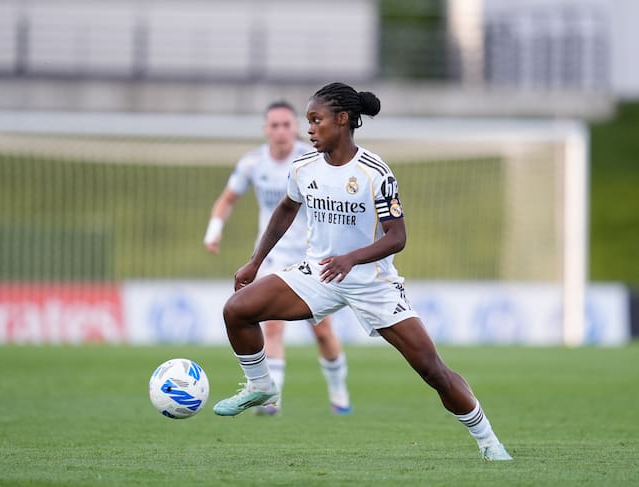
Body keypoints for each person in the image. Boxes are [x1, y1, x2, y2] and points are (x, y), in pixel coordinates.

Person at [211, 82, 513, 462]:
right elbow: (287, 209)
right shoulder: (303, 166)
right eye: (307, 121)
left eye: (315, 120)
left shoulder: (375, 172)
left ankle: (488, 441)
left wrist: (352, 259)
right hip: (318, 274)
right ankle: (262, 386)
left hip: (373, 283)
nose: (309, 130)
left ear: (341, 120)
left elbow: (398, 237)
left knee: (432, 369)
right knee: (236, 309)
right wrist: (255, 261)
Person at [203, 100, 352, 415]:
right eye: (274, 125)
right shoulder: (252, 163)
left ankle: (339, 394)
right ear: (265, 130)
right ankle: (272, 401)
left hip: (313, 256)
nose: (281, 131)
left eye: (286, 124)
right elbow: (227, 199)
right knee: (270, 326)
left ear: (295, 128)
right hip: (272, 255)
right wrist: (214, 230)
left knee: (323, 331)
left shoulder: (314, 159)